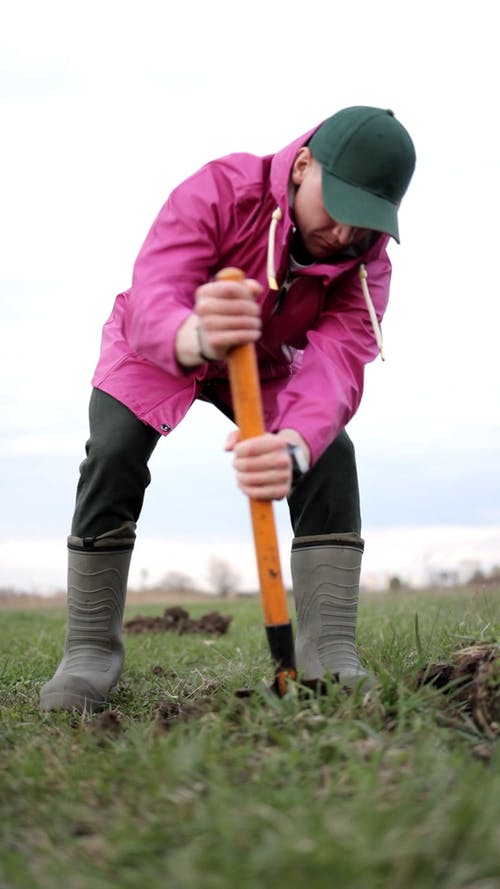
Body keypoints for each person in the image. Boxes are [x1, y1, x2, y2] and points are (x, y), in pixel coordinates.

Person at [40, 105, 416, 713]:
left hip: (264, 363)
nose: (348, 234)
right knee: (112, 452)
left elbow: (338, 363)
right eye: (341, 207)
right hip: (160, 344)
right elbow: (156, 287)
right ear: (301, 167)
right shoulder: (221, 189)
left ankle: (329, 657)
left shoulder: (365, 264)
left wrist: (293, 444)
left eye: (368, 221)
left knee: (328, 453)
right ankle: (88, 656)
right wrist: (192, 336)